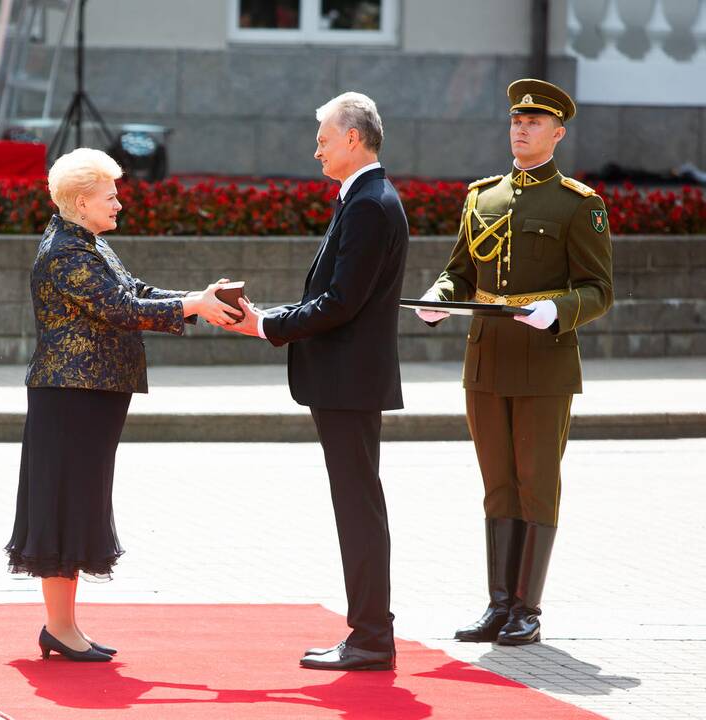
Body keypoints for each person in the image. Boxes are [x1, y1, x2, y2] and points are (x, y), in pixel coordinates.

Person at [4, 148, 237, 662]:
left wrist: (198, 300)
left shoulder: (86, 243)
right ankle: (60, 629)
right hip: (71, 397)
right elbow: (119, 308)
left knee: (74, 503)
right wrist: (191, 305)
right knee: (63, 505)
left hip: (88, 395)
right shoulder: (68, 251)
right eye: (111, 195)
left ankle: (63, 627)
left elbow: (136, 291)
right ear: (81, 201)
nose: (119, 203)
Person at [414, 79, 613, 646]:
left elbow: (600, 290)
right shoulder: (483, 197)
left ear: (557, 133)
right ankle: (498, 604)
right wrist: (439, 296)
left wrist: (558, 309)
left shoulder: (579, 204)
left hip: (544, 361)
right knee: (497, 483)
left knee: (536, 482)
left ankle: (528, 607)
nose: (521, 129)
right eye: (515, 121)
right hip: (486, 360)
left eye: (534, 123)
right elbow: (460, 272)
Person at [223, 92, 408, 671]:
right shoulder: (362, 199)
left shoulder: (371, 204)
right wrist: (272, 319)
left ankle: (372, 636)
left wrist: (266, 325)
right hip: (346, 381)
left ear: (354, 139)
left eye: (325, 138)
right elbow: (335, 299)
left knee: (358, 507)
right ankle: (370, 631)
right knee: (358, 504)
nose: (316, 149)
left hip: (348, 383)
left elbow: (339, 303)